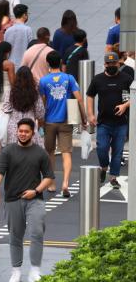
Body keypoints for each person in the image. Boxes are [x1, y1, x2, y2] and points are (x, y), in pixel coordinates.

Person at [0, 118, 52, 282]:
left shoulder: (40, 153)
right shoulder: (8, 151)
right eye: (20, 131)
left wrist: (36, 191)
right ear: (16, 131)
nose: (23, 134)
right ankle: (16, 270)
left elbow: (48, 177)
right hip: (13, 199)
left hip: (35, 199)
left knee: (37, 232)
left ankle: (35, 270)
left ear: (33, 133)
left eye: (26, 131)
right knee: (15, 236)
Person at [40, 50, 87, 197]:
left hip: (49, 121)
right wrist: (84, 118)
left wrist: (40, 121)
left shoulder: (43, 81)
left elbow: (42, 102)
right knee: (66, 153)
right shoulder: (69, 78)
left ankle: (52, 183)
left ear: (47, 63)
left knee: (50, 153)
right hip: (66, 120)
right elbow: (79, 99)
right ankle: (66, 183)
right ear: (60, 62)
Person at [87, 53, 131, 189]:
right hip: (103, 123)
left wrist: (125, 106)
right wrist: (90, 114)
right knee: (102, 148)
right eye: (109, 64)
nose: (111, 66)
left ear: (119, 63)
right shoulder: (97, 79)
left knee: (117, 152)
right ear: (105, 64)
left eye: (114, 63)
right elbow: (90, 95)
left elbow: (134, 95)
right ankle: (104, 167)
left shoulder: (127, 79)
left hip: (121, 123)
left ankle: (113, 177)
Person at [1, 67, 46, 147]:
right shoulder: (34, 93)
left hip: (14, 127)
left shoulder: (11, 92)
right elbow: (40, 113)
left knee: (14, 153)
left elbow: (6, 108)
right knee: (30, 152)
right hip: (29, 126)